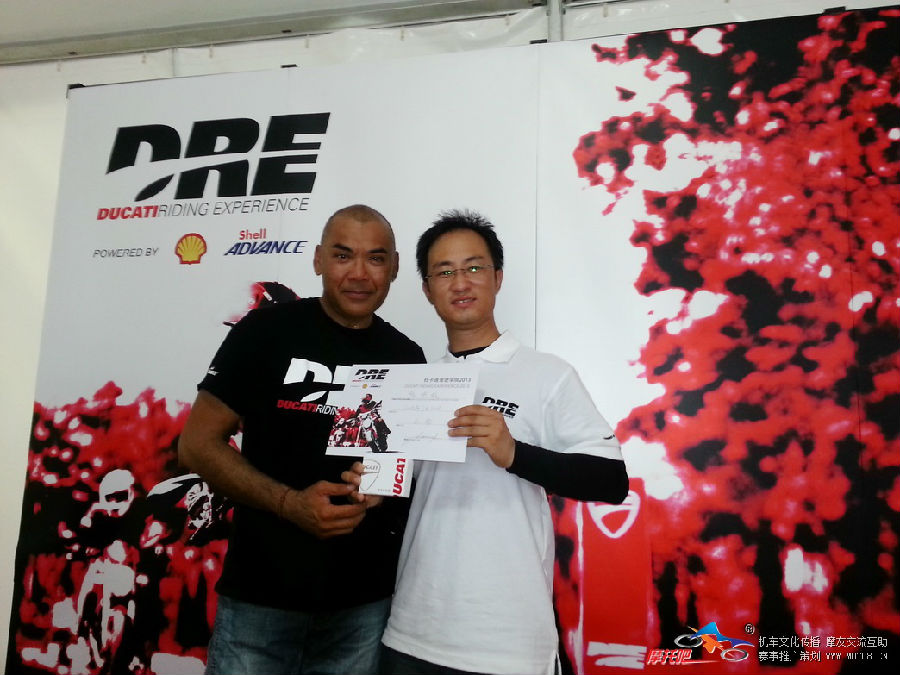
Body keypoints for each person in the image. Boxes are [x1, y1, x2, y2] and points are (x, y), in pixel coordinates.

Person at [362, 210, 630, 675]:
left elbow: (611, 481)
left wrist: (514, 453)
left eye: (473, 267)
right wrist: (372, 488)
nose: (460, 282)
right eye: (444, 272)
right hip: (411, 630)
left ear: (498, 278)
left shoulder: (547, 374)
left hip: (508, 642)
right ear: (427, 289)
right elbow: (403, 491)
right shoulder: (413, 384)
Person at [178, 204, 425, 675]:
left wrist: (377, 488)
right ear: (317, 260)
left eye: (375, 258)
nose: (359, 273)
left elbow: (394, 464)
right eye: (342, 255)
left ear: (394, 268)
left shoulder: (406, 356)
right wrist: (289, 504)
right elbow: (196, 444)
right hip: (261, 598)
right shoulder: (266, 332)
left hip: (362, 605)